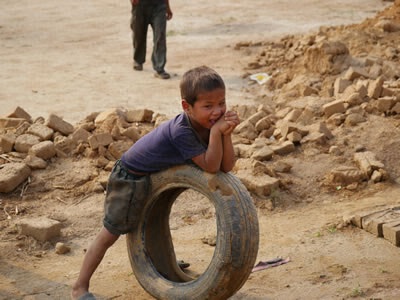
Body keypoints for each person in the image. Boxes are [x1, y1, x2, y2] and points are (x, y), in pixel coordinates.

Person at [71, 65, 240, 300]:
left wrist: (226, 133)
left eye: (222, 103)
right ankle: (79, 286)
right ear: (186, 107)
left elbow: (226, 166)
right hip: (130, 176)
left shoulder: (210, 124)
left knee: (153, 219)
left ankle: (162, 263)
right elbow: (212, 166)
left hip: (154, 173)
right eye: (208, 106)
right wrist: (216, 133)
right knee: (111, 233)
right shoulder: (182, 130)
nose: (217, 111)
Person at [130, 0, 173, 79]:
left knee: (160, 36)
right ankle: (138, 60)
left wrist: (167, 7)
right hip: (140, 5)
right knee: (138, 34)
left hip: (159, 6)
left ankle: (159, 68)